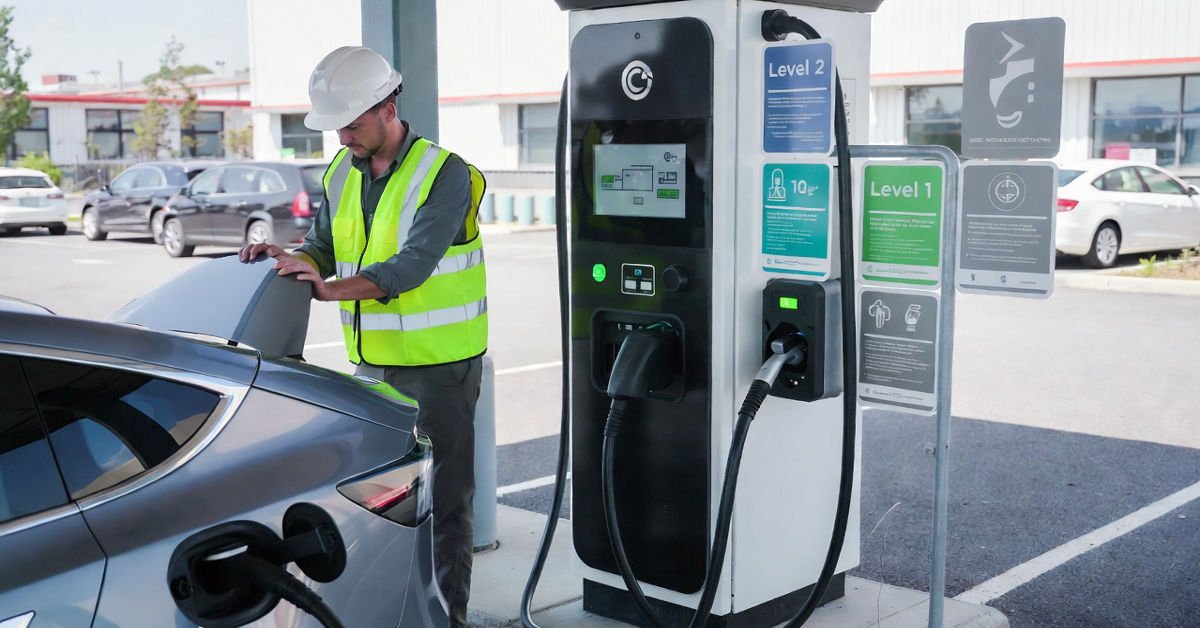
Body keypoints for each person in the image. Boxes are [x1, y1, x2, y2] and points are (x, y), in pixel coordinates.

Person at [239, 45, 487, 628]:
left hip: (439, 369)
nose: (343, 138)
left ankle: (448, 619)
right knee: (384, 506)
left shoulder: (446, 174)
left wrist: (328, 290)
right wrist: (292, 258)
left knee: (443, 507)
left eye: (351, 125)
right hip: (372, 368)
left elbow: (410, 267)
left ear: (388, 105)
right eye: (336, 128)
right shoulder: (339, 173)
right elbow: (324, 246)